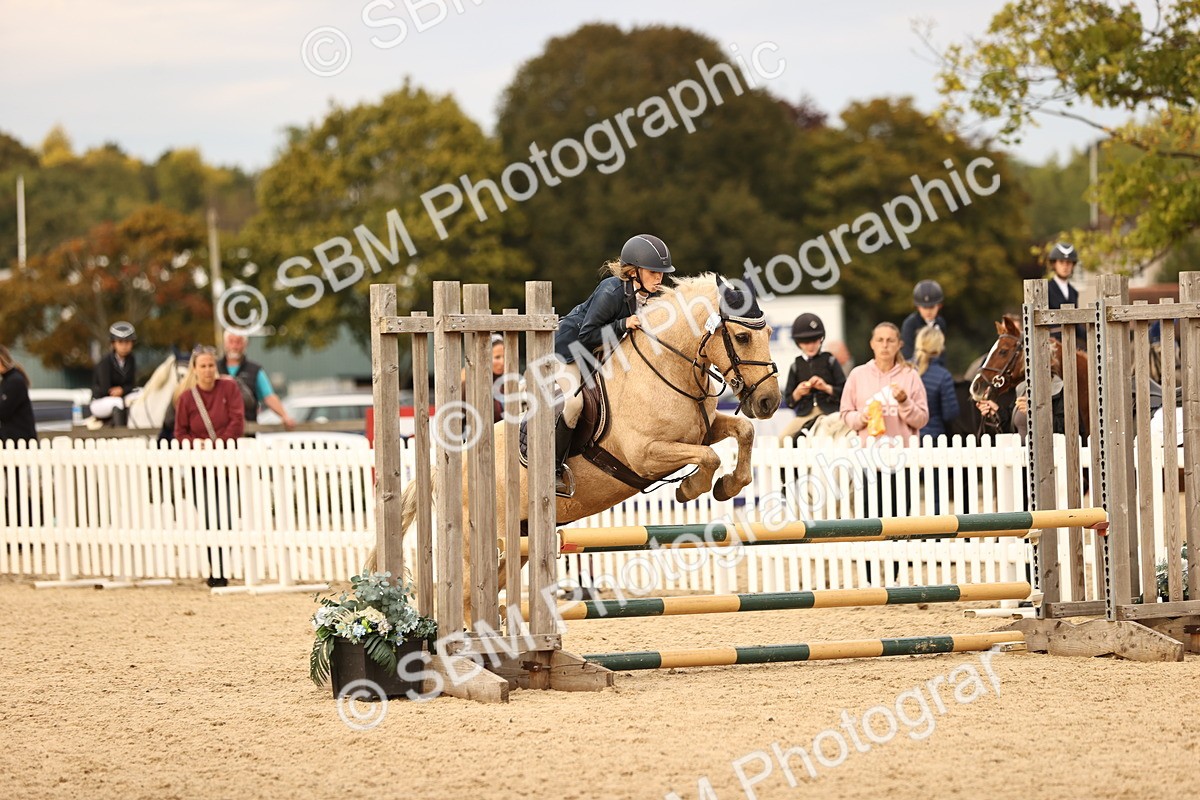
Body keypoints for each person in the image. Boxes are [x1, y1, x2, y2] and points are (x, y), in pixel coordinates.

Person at [552, 233, 674, 496]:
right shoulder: (611, 290)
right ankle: (554, 469)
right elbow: (587, 335)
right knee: (574, 403)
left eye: (661, 273)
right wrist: (622, 324)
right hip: (571, 351)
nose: (659, 278)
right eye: (653, 272)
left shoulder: (649, 295)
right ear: (634, 272)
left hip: (600, 354)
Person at [175, 345, 245, 587]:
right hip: (199, 468)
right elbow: (180, 433)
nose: (207, 370)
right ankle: (214, 569)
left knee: (224, 516)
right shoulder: (186, 398)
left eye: (211, 365)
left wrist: (220, 444)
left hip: (224, 465)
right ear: (194, 369)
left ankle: (223, 569)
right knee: (207, 517)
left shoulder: (229, 388)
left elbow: (237, 421)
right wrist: (198, 445)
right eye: (202, 366)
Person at [840, 322, 929, 445]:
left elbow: (922, 420)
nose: (885, 345)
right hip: (867, 454)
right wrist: (861, 418)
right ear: (872, 344)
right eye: (880, 340)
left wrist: (905, 402)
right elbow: (845, 414)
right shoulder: (857, 375)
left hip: (902, 455)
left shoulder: (910, 376)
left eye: (890, 340)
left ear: (899, 345)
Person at [781, 312, 846, 439]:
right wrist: (798, 393)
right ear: (798, 343)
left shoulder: (830, 361)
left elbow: (845, 391)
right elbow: (789, 401)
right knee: (783, 438)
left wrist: (826, 388)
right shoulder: (795, 366)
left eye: (814, 341)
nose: (810, 346)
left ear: (821, 339)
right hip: (806, 414)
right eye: (805, 342)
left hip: (830, 411)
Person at [217, 331, 295, 432]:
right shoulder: (214, 368)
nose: (234, 346)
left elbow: (269, 396)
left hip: (247, 428)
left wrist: (284, 416)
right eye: (231, 341)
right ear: (225, 343)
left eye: (238, 342)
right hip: (219, 429)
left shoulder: (254, 370)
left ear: (245, 344)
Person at [0, 345, 37, 526]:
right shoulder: (8, 381)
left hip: (19, 443)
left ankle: (24, 529)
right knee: (15, 488)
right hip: (11, 444)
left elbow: (3, 412)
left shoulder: (14, 381)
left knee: (18, 489)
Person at [90, 321, 139, 426]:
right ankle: (121, 434)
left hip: (122, 397)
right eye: (120, 342)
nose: (125, 346)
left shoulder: (131, 360)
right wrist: (122, 391)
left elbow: (132, 384)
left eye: (128, 342)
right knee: (117, 403)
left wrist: (122, 390)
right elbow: (104, 389)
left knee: (140, 396)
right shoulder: (105, 362)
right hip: (100, 401)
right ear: (113, 344)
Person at [914, 327, 959, 442]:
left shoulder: (903, 369)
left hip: (905, 438)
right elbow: (950, 414)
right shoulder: (943, 375)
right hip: (933, 437)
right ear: (940, 347)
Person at [1046, 242, 1087, 341]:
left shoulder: (1073, 292)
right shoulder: (1047, 289)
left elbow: (1076, 325)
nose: (1065, 266)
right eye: (1061, 262)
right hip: (1051, 344)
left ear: (1073, 265)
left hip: (1072, 342)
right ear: (1054, 264)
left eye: (1068, 263)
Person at [461, 334, 506, 423]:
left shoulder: (507, 383)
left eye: (504, 356)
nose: (502, 362)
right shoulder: (469, 384)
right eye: (497, 357)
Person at [900, 280, 947, 364]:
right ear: (917, 307)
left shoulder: (941, 322)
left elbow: (942, 351)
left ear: (939, 306)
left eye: (932, 307)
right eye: (924, 307)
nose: (928, 311)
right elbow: (907, 353)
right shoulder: (910, 324)